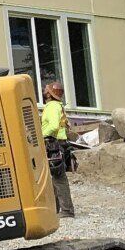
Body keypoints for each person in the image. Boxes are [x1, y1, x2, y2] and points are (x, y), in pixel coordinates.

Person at [40, 79, 77, 217]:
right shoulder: (57, 106)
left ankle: (66, 210)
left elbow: (54, 126)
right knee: (54, 176)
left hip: (53, 143)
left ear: (49, 94)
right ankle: (56, 208)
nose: (44, 91)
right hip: (59, 143)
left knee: (58, 177)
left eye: (46, 90)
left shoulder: (52, 107)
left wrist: (41, 135)